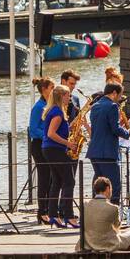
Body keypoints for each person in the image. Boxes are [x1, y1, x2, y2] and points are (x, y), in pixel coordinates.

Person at [86, 82, 130, 206]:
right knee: (114, 185)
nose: (120, 98)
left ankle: (95, 211)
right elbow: (114, 129)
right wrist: (128, 133)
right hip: (107, 152)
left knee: (99, 185)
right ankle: (114, 213)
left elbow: (99, 128)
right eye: (120, 95)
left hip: (94, 151)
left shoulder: (95, 106)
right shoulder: (112, 106)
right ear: (114, 93)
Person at [41, 84, 77, 228]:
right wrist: (68, 143)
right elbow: (51, 133)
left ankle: (53, 215)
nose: (69, 97)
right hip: (55, 149)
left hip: (49, 149)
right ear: (61, 96)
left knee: (57, 181)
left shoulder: (54, 110)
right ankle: (68, 216)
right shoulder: (57, 112)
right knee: (69, 181)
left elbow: (57, 130)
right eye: (67, 95)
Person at [82, 177, 130, 252]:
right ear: (108, 188)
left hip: (89, 242)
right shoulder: (113, 208)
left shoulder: (85, 204)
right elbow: (117, 226)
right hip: (108, 243)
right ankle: (124, 247)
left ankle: (125, 246)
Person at [28, 77, 54, 224]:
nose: (53, 90)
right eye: (51, 88)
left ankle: (50, 210)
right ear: (44, 90)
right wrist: (48, 134)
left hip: (48, 144)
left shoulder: (49, 105)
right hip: (39, 145)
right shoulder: (39, 107)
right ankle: (42, 211)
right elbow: (33, 129)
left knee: (51, 177)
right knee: (44, 177)